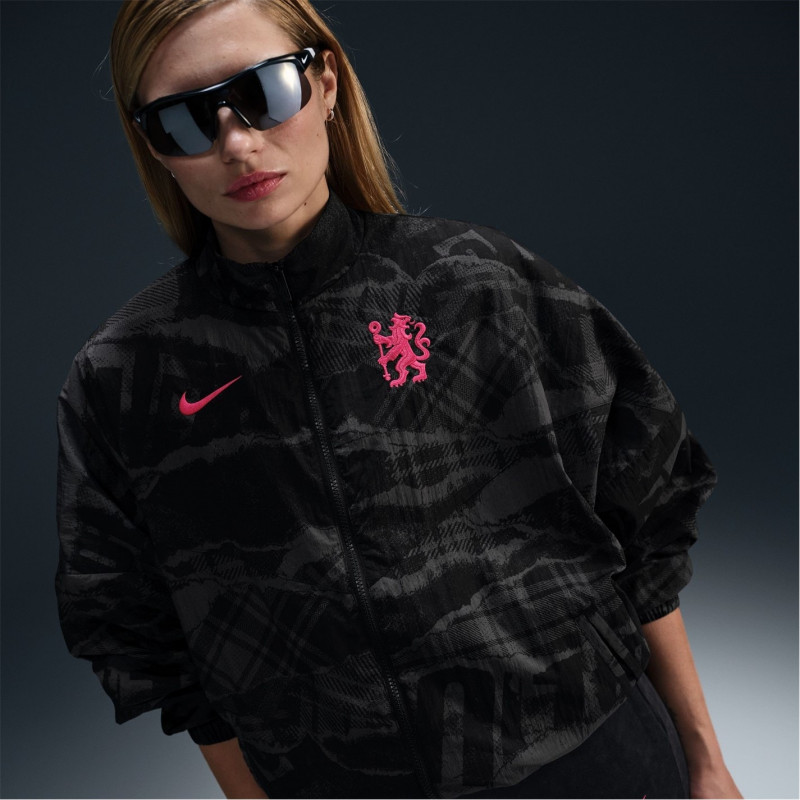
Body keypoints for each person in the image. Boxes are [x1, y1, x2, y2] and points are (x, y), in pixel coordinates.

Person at [55, 0, 743, 797]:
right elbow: (146, 640)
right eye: (184, 119)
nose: (237, 143)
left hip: (593, 763)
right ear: (153, 145)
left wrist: (706, 762)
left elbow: (642, 520)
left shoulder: (476, 282)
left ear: (326, 83)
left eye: (264, 92)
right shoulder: (126, 377)